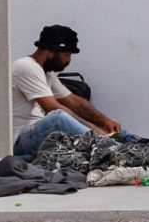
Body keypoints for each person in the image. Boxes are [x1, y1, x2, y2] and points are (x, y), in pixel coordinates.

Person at [10, 24, 122, 159]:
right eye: (67, 54)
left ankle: (131, 144)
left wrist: (106, 121)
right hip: (19, 140)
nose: (69, 60)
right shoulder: (26, 66)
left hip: (36, 135)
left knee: (111, 129)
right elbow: (52, 108)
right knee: (58, 118)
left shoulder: (47, 73)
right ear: (50, 51)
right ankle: (114, 150)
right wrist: (95, 131)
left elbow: (75, 102)